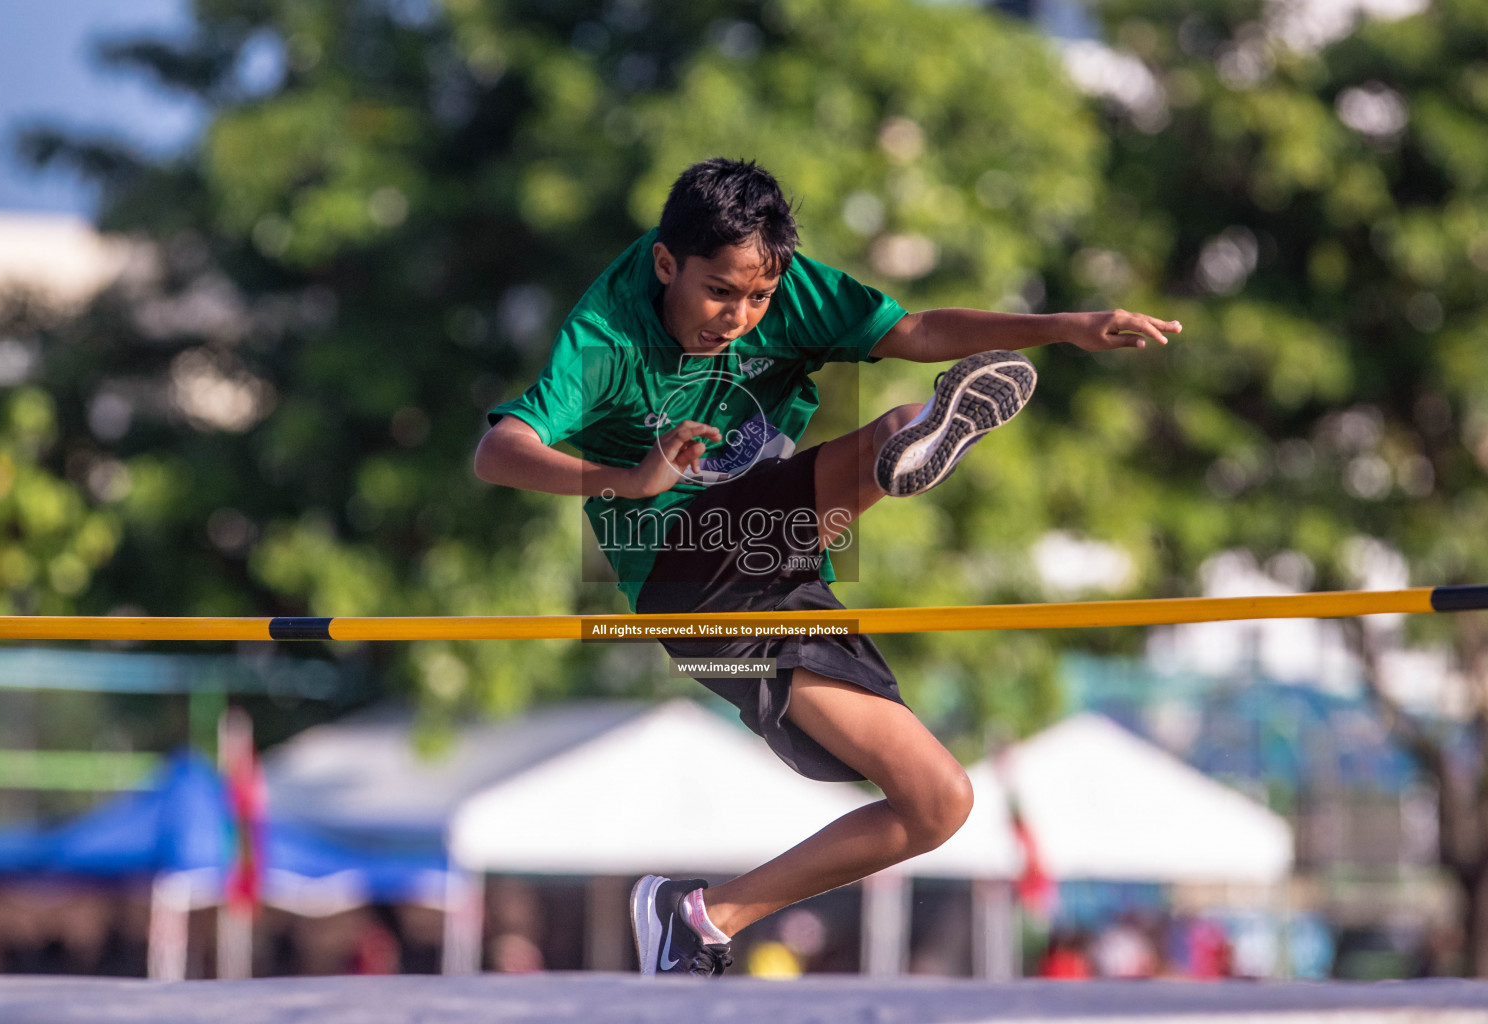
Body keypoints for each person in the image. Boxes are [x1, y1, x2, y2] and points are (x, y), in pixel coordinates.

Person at [474, 158, 1179, 977]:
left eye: (757, 299)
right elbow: (499, 451)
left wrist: (1062, 326)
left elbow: (911, 332)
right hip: (681, 575)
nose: (737, 317)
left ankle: (700, 917)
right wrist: (627, 480)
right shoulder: (606, 338)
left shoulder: (782, 282)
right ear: (667, 263)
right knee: (887, 435)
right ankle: (899, 443)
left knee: (937, 800)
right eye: (717, 293)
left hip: (776, 562)